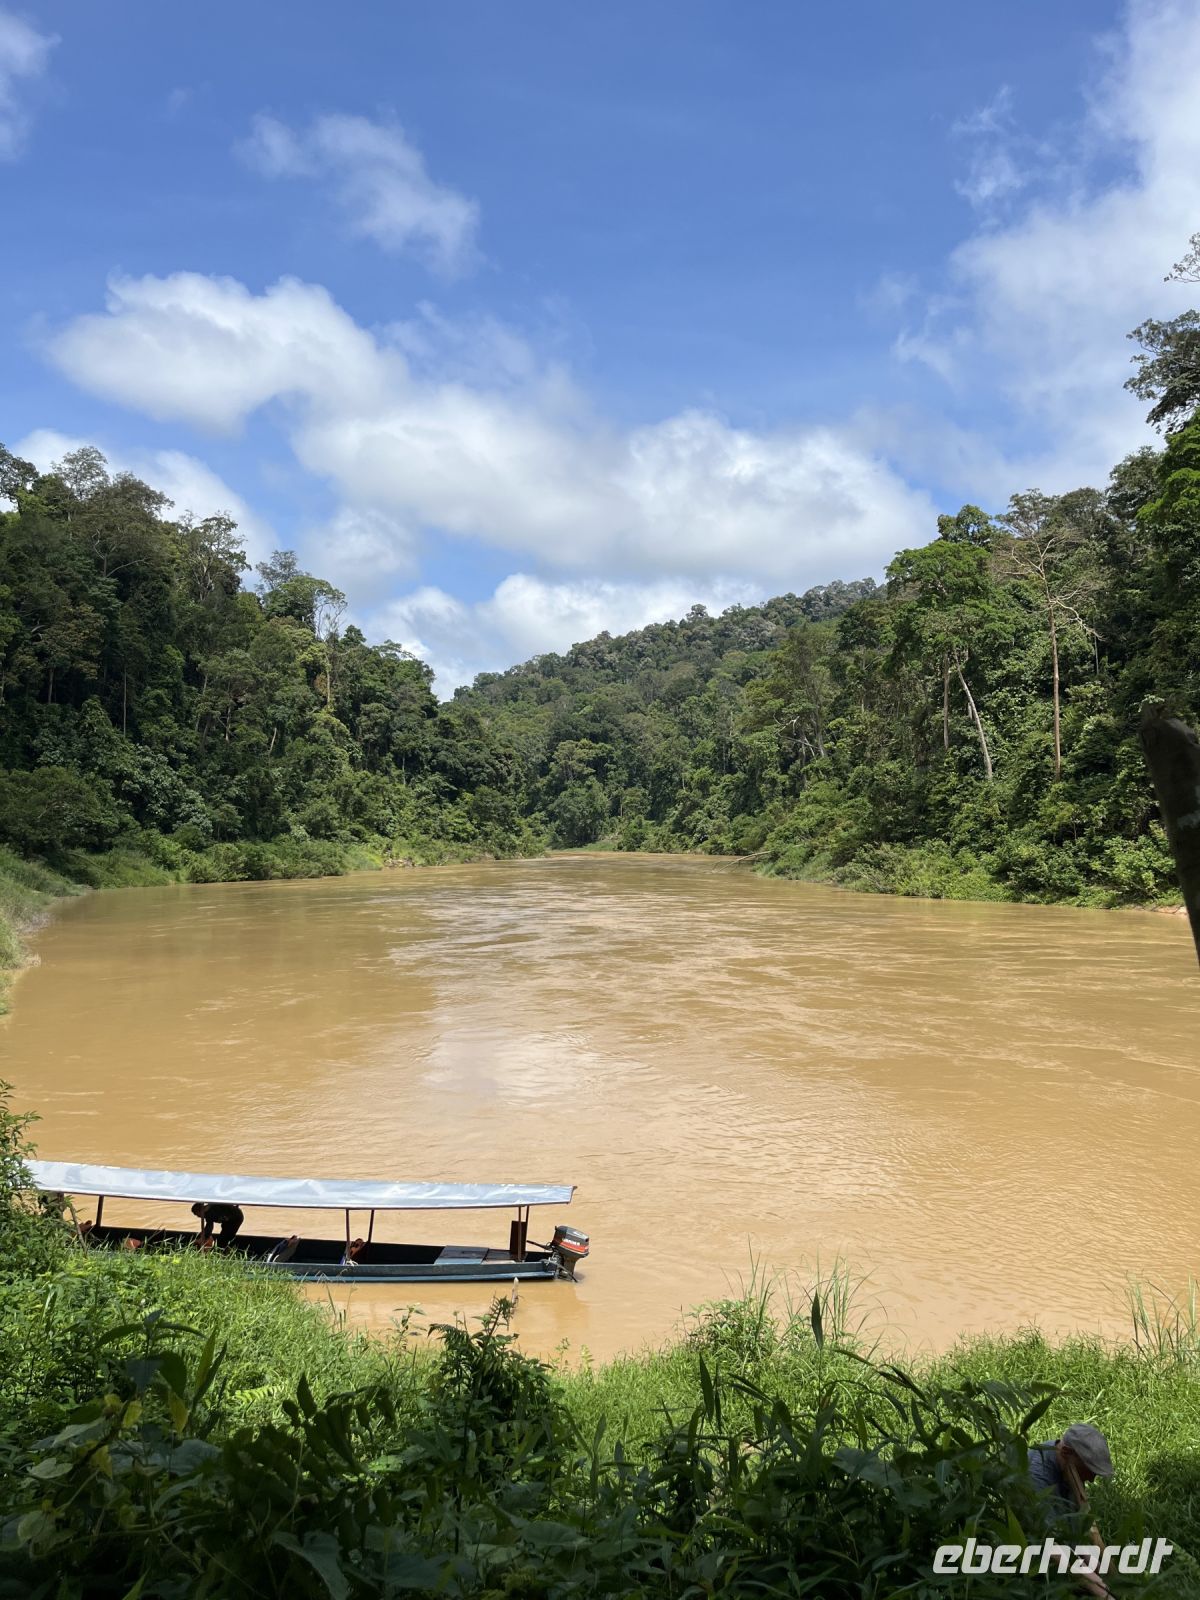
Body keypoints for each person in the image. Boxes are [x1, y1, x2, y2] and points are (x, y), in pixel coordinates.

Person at [1028, 1424, 1116, 1599]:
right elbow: (1052, 1545)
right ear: (1066, 1452)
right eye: (1089, 1469)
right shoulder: (1036, 1476)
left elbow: (1071, 1537)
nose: (1091, 1479)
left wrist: (1103, 1573)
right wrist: (1101, 1592)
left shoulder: (1068, 1467)